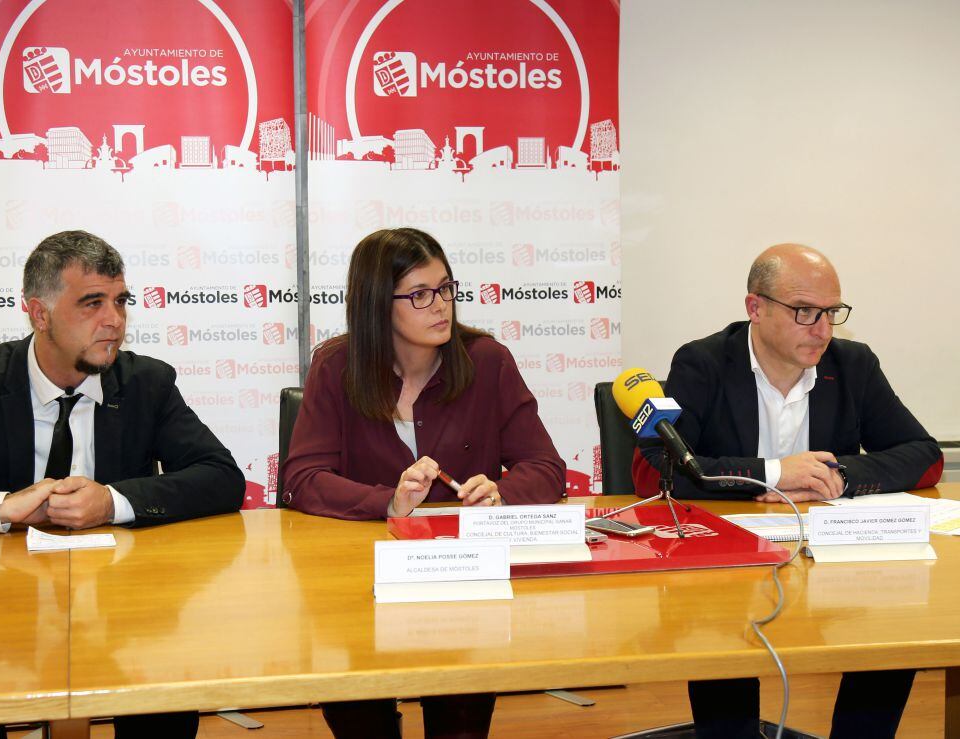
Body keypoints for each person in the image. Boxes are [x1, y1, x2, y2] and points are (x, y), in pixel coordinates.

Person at [0, 230, 246, 739]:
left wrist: (112, 502)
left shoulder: (147, 383)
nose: (114, 320)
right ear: (39, 314)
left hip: (122, 603)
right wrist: (0, 508)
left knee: (165, 697)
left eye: (120, 301)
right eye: (92, 303)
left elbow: (222, 477)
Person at [633, 243, 942, 739]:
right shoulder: (703, 363)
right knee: (721, 632)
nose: (822, 329)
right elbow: (657, 471)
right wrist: (776, 473)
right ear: (755, 308)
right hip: (730, 563)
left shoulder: (853, 364)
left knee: (892, 619)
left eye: (832, 312)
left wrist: (838, 475)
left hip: (829, 556)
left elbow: (925, 454)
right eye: (804, 311)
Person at [282, 227, 565, 738]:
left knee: (460, 719)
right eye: (419, 294)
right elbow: (302, 479)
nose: (440, 306)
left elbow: (545, 466)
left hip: (460, 574)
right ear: (376, 304)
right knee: (359, 715)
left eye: (446, 288)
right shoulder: (337, 366)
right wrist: (388, 502)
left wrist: (502, 494)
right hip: (360, 578)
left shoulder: (487, 361)